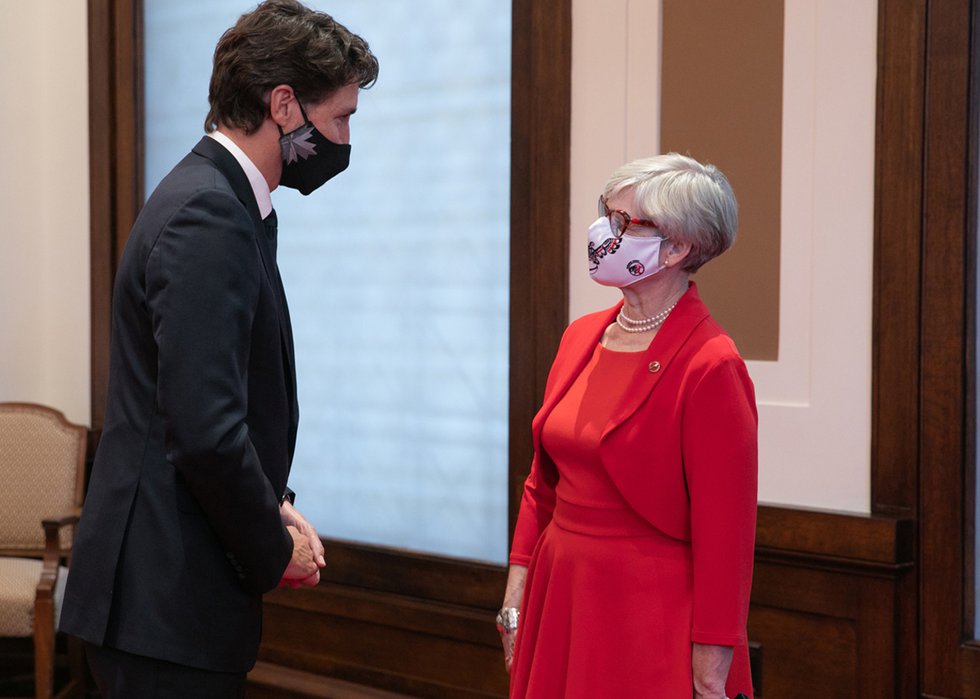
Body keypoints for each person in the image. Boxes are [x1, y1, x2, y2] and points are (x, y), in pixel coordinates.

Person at [60, 2, 379, 696]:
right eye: (341, 118)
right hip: (163, 603)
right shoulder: (210, 213)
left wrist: (273, 500)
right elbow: (204, 430)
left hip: (162, 601)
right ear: (285, 104)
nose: (347, 140)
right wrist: (274, 549)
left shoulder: (224, 199)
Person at [498, 154, 758, 698]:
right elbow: (540, 480)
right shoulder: (582, 336)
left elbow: (726, 538)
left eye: (623, 223)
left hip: (646, 612)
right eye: (605, 215)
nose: (602, 233)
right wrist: (516, 591)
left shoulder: (712, 363)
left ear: (678, 247)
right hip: (561, 591)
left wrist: (711, 674)